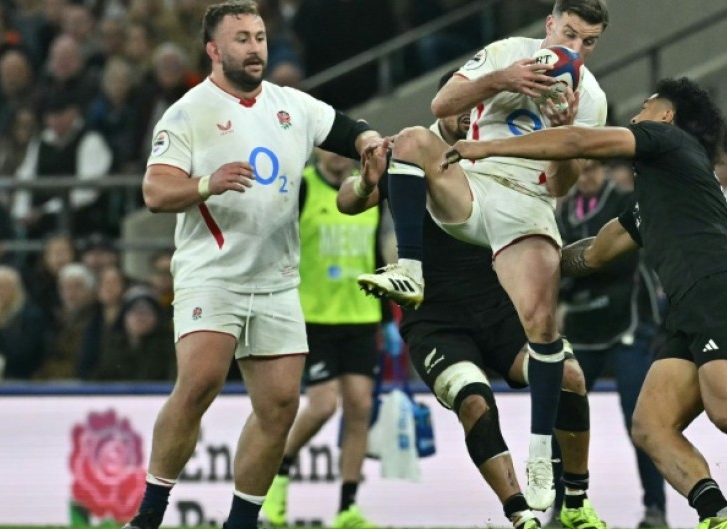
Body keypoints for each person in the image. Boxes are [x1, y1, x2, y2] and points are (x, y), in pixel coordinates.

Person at [443, 77, 727, 529]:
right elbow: (594, 253)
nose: (636, 115)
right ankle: (719, 516)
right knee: (650, 425)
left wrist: (489, 148)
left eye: (645, 106)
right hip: (690, 306)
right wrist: (522, 262)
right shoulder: (663, 190)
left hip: (723, 290)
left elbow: (578, 141)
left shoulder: (668, 139)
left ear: (666, 115)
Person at [121, 2, 383, 529]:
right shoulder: (189, 112)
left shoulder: (292, 105)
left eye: (260, 37)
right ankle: (149, 515)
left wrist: (369, 143)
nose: (254, 47)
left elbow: (347, 128)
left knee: (282, 405)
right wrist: (206, 183)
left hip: (277, 280)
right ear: (214, 50)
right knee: (200, 384)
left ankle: (241, 522)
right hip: (213, 273)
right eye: (241, 38)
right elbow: (154, 191)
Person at [357, 0, 610, 509]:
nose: (576, 49)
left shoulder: (591, 99)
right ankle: (410, 270)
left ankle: (541, 459)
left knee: (544, 330)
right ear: (549, 25)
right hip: (472, 187)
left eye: (588, 42)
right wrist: (503, 78)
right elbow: (441, 103)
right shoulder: (508, 51)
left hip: (527, 206)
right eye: (569, 34)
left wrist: (563, 134)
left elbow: (561, 185)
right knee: (411, 139)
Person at [261, 149, 394, 529]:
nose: (338, 156)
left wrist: (386, 317)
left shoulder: (370, 188)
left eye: (345, 149)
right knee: (322, 406)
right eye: (331, 148)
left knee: (360, 407)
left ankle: (347, 508)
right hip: (314, 317)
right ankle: (278, 472)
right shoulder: (303, 187)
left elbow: (373, 252)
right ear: (318, 149)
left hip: (361, 315)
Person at [554, 159, 667, 528]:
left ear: (603, 170)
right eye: (580, 170)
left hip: (628, 324)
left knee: (640, 419)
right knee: (562, 416)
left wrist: (575, 268)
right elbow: (554, 268)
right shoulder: (562, 212)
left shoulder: (624, 201)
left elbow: (621, 258)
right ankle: (562, 506)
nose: (586, 176)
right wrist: (582, 267)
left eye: (593, 168)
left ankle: (655, 509)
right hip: (582, 327)